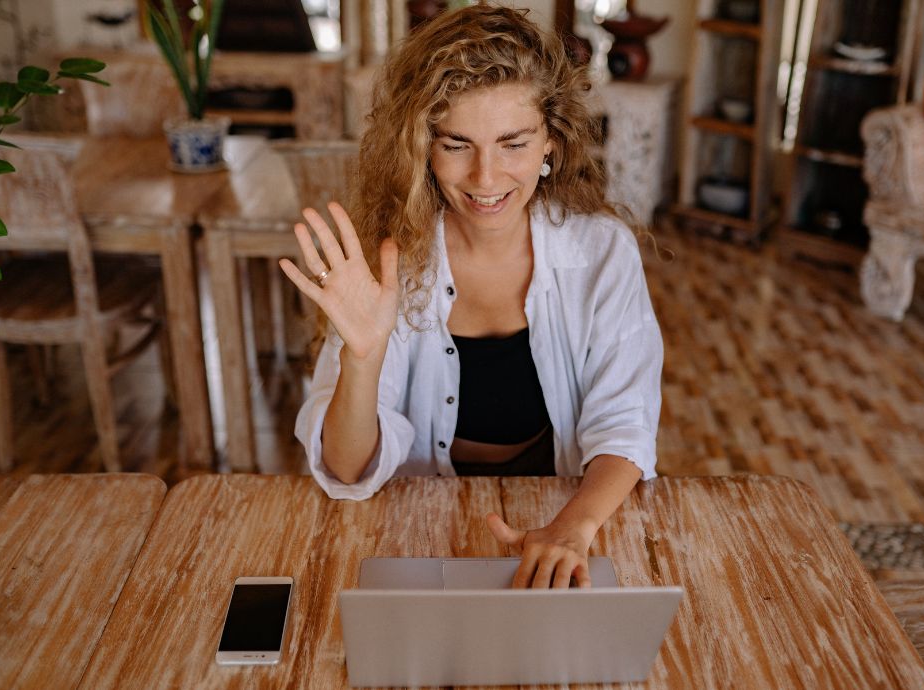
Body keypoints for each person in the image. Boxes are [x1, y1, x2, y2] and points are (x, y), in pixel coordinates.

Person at [280, 3, 662, 589]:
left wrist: (572, 528)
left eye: (513, 143)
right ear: (423, 149)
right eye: (457, 144)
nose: (486, 178)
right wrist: (363, 358)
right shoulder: (390, 261)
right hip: (411, 531)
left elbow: (624, 423)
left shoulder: (601, 252)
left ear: (550, 143)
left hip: (565, 516)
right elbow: (346, 468)